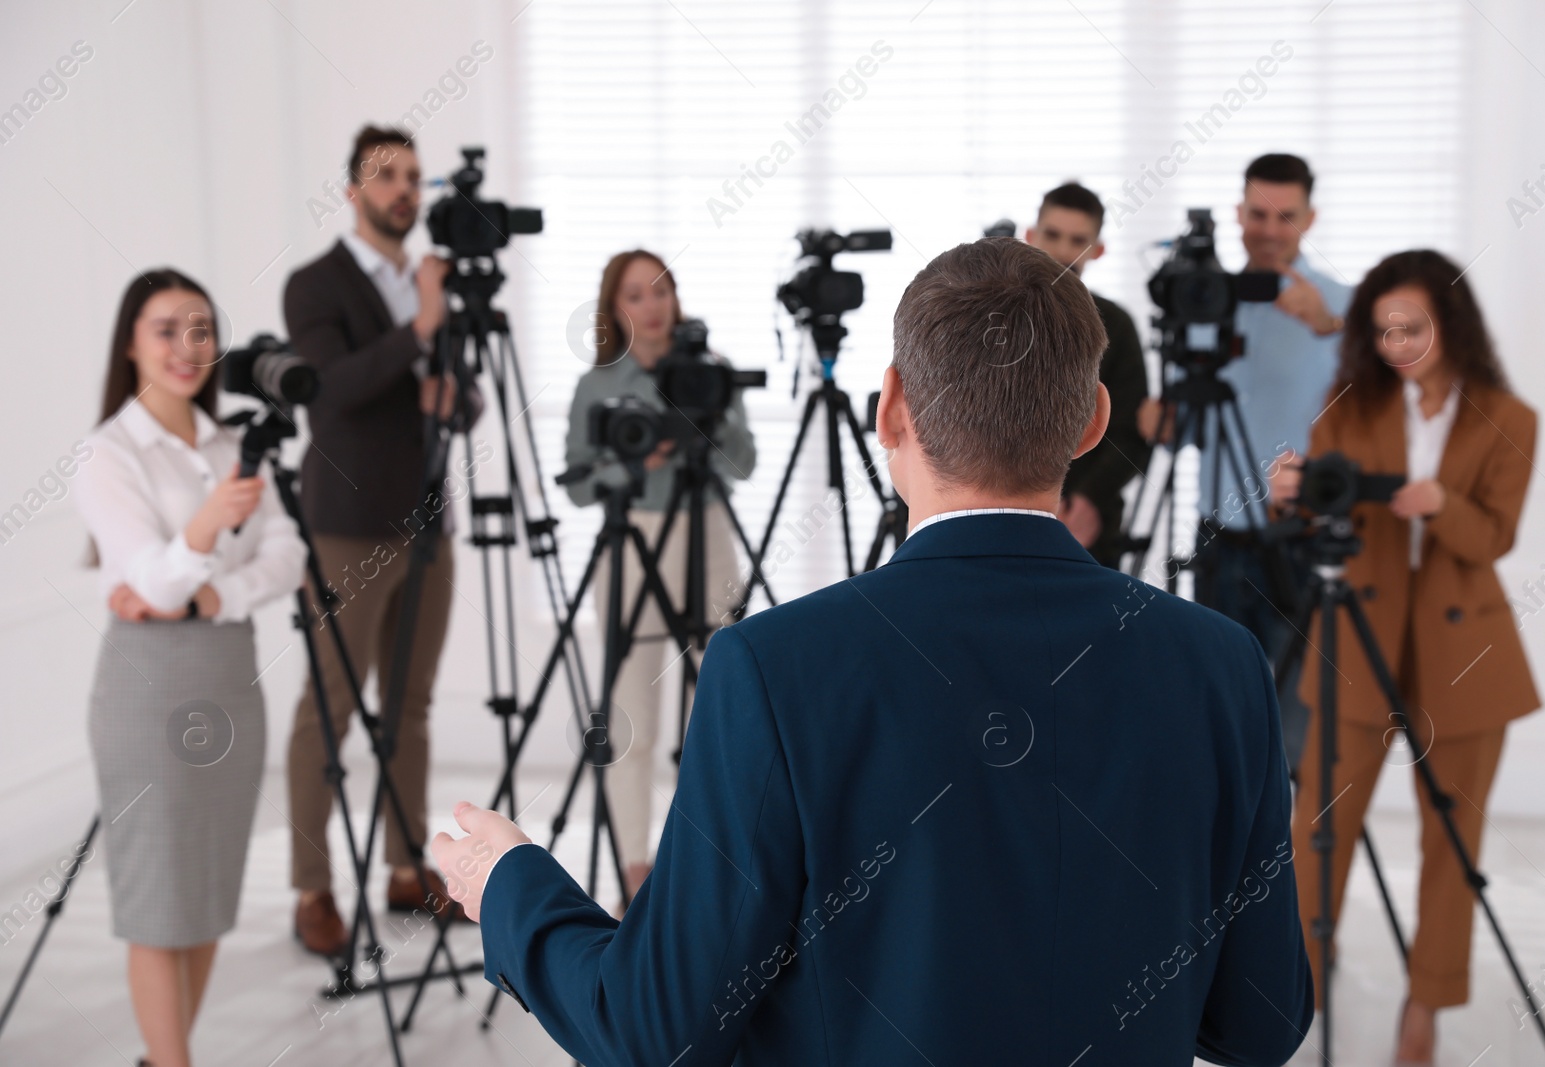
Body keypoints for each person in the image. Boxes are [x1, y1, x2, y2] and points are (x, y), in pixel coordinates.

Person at [434, 238, 1312, 1066]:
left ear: (889, 406)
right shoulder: (1221, 664)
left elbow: (656, 1028)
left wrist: (513, 885)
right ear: (1093, 421)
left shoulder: (773, 667)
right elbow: (1261, 1021)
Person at [1270, 249, 1539, 1065]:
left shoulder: (1507, 416)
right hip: (1358, 640)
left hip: (1466, 655)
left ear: (1450, 323)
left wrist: (1442, 506)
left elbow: (1495, 534)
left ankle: (1424, 1005)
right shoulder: (1348, 404)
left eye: (1411, 327)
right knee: (1319, 822)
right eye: (1382, 329)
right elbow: (1318, 523)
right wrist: (1292, 494)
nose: (1396, 344)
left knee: (1450, 841)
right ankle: (1298, 979)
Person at [74, 269, 306, 1067]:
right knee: (156, 902)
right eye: (166, 328)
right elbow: (149, 582)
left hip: (226, 678)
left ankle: (162, 1060)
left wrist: (212, 598)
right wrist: (206, 529)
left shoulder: (232, 441)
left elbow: (287, 555)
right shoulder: (108, 453)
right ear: (131, 340)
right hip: (148, 688)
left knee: (206, 893)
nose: (186, 346)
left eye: (201, 328)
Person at [282, 125, 480, 956]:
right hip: (346, 528)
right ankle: (313, 885)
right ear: (353, 190)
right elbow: (329, 394)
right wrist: (420, 326)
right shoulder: (314, 284)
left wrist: (446, 387)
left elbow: (465, 402)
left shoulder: (430, 280)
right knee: (330, 704)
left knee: (412, 703)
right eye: (386, 176)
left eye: (413, 177)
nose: (404, 190)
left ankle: (406, 866)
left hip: (429, 524)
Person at [561, 249, 757, 908]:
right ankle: (634, 869)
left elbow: (745, 463)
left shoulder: (709, 370)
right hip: (633, 536)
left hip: (709, 533)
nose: (652, 306)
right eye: (636, 295)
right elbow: (581, 484)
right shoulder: (599, 383)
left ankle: (709, 861)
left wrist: (710, 414)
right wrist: (641, 460)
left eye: (661, 291)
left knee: (722, 701)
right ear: (614, 307)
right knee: (629, 714)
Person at [1175, 152, 1353, 767]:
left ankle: (1283, 852)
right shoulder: (1200, 302)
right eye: (1258, 213)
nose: (1270, 229)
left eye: (1287, 216)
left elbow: (1397, 391)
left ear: (1311, 218)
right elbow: (1185, 432)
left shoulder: (1344, 307)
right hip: (1217, 541)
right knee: (1213, 715)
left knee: (1290, 732)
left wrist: (1332, 329)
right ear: (1237, 214)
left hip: (1298, 540)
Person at [1025, 180, 1151, 565]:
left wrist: (1089, 499)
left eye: (1078, 240)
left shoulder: (1116, 325)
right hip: (997, 515)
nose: (1063, 251)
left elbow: (1134, 429)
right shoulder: (991, 321)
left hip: (1089, 529)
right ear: (1030, 236)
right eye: (1053, 235)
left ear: (1097, 250)